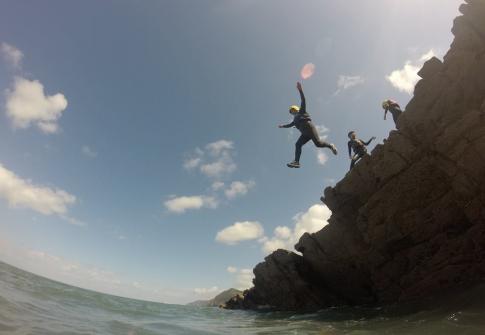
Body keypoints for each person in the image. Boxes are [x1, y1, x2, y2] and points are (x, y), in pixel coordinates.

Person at [278, 82, 338, 168]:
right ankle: (296, 162)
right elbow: (290, 125)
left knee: (318, 144)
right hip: (304, 134)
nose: (292, 113)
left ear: (296, 109)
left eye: (293, 110)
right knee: (297, 144)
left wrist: (300, 90)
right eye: (291, 112)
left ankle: (330, 146)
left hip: (309, 127)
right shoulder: (294, 120)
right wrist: (283, 126)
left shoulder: (302, 111)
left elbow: (303, 100)